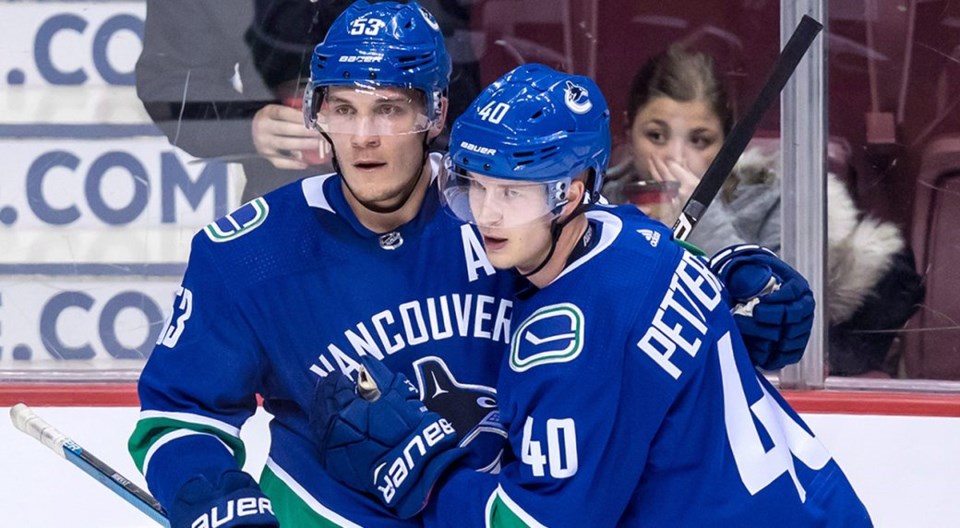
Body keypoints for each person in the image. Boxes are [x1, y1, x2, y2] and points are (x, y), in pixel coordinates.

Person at [130, 3, 816, 526]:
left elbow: (624, 270)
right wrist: (213, 498)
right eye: (344, 109)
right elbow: (178, 416)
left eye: (390, 110)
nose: (365, 136)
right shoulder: (249, 254)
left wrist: (724, 288)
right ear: (317, 115)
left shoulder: (502, 214)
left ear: (435, 114)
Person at [311, 63, 871, 526]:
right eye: (475, 186)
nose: (488, 213)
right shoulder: (637, 234)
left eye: (513, 192)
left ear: (571, 193)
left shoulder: (566, 340)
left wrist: (424, 471)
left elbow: (536, 523)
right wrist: (724, 268)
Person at [602, 44, 924, 377]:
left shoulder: (774, 203)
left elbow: (778, 327)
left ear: (728, 143)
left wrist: (703, 218)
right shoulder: (596, 205)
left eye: (699, 140)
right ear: (628, 130)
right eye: (655, 136)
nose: (675, 158)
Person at [136, 0, 483, 204]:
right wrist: (247, 125)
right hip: (293, 203)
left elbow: (497, 54)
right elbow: (170, 77)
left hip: (440, 199)